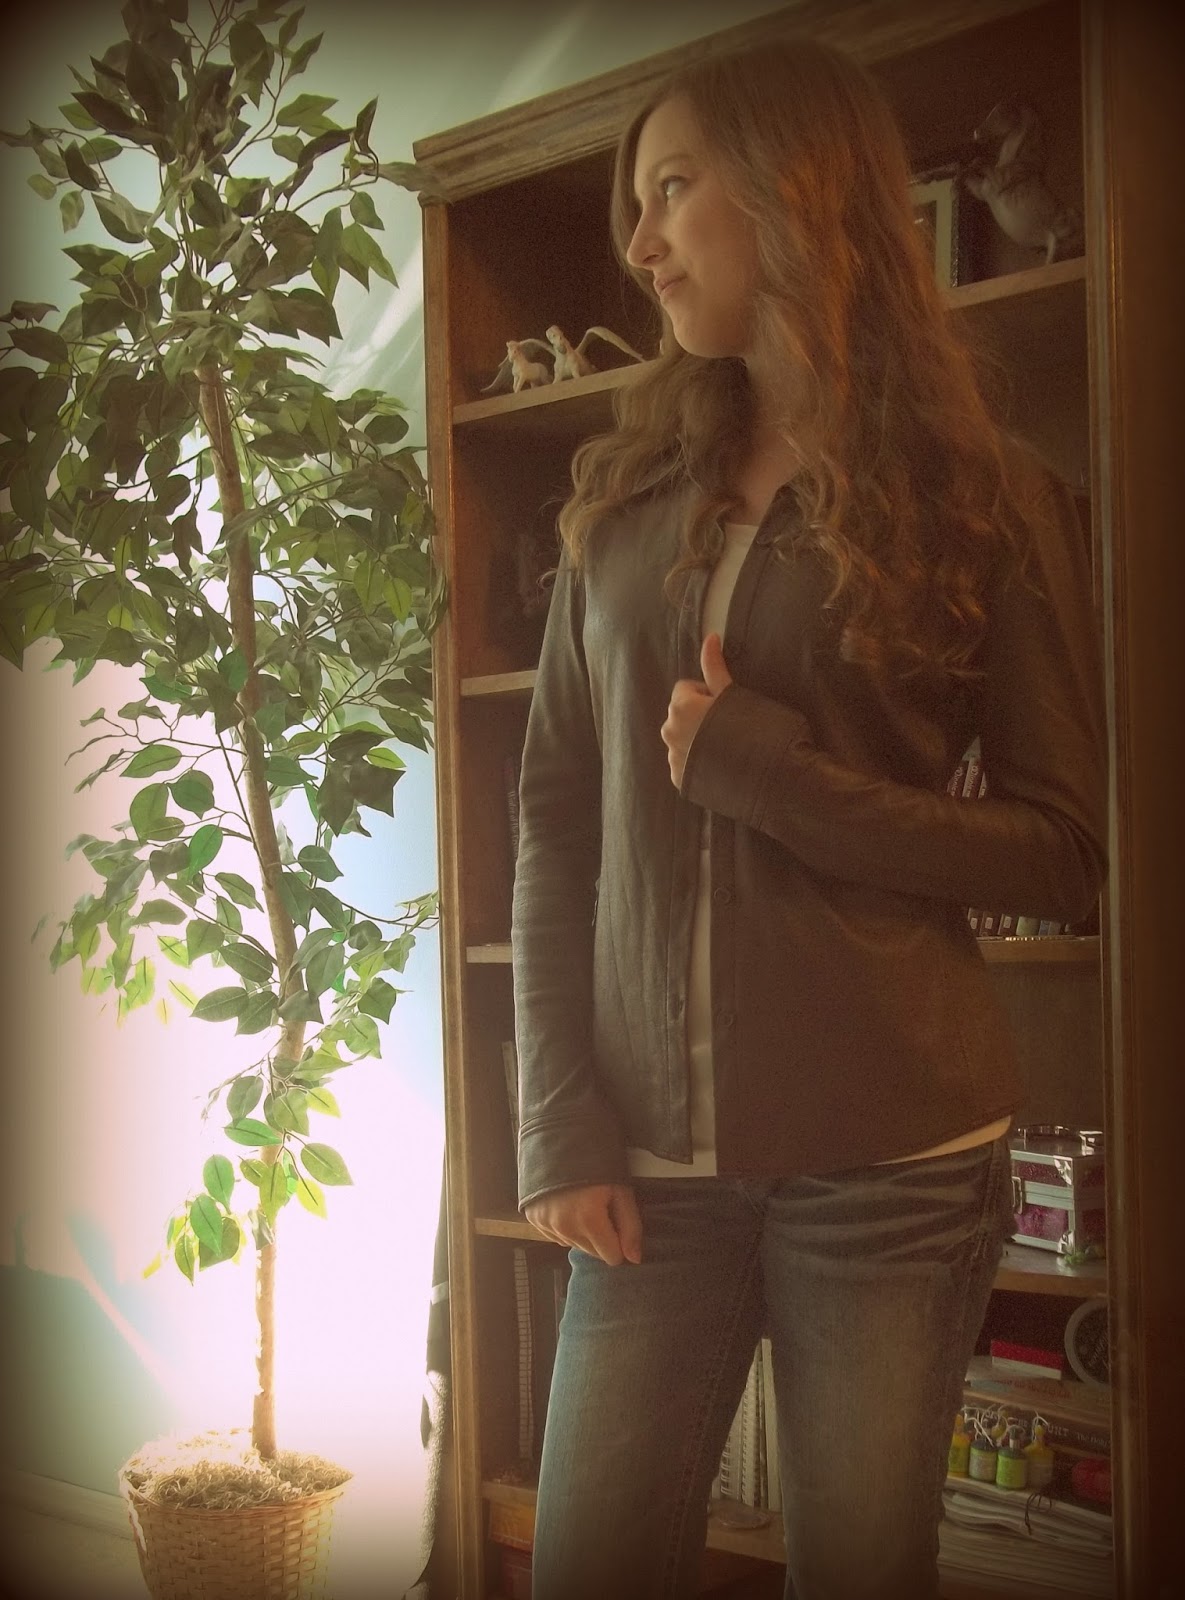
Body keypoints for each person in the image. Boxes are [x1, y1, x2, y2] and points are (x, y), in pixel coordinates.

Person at [510, 34, 1106, 1600]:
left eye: (670, 190)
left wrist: (769, 774)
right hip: (645, 1166)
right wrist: (558, 1121)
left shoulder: (984, 491)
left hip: (894, 1162)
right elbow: (555, 820)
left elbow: (1060, 850)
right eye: (634, 204)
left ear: (797, 187)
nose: (639, 244)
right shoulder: (619, 507)